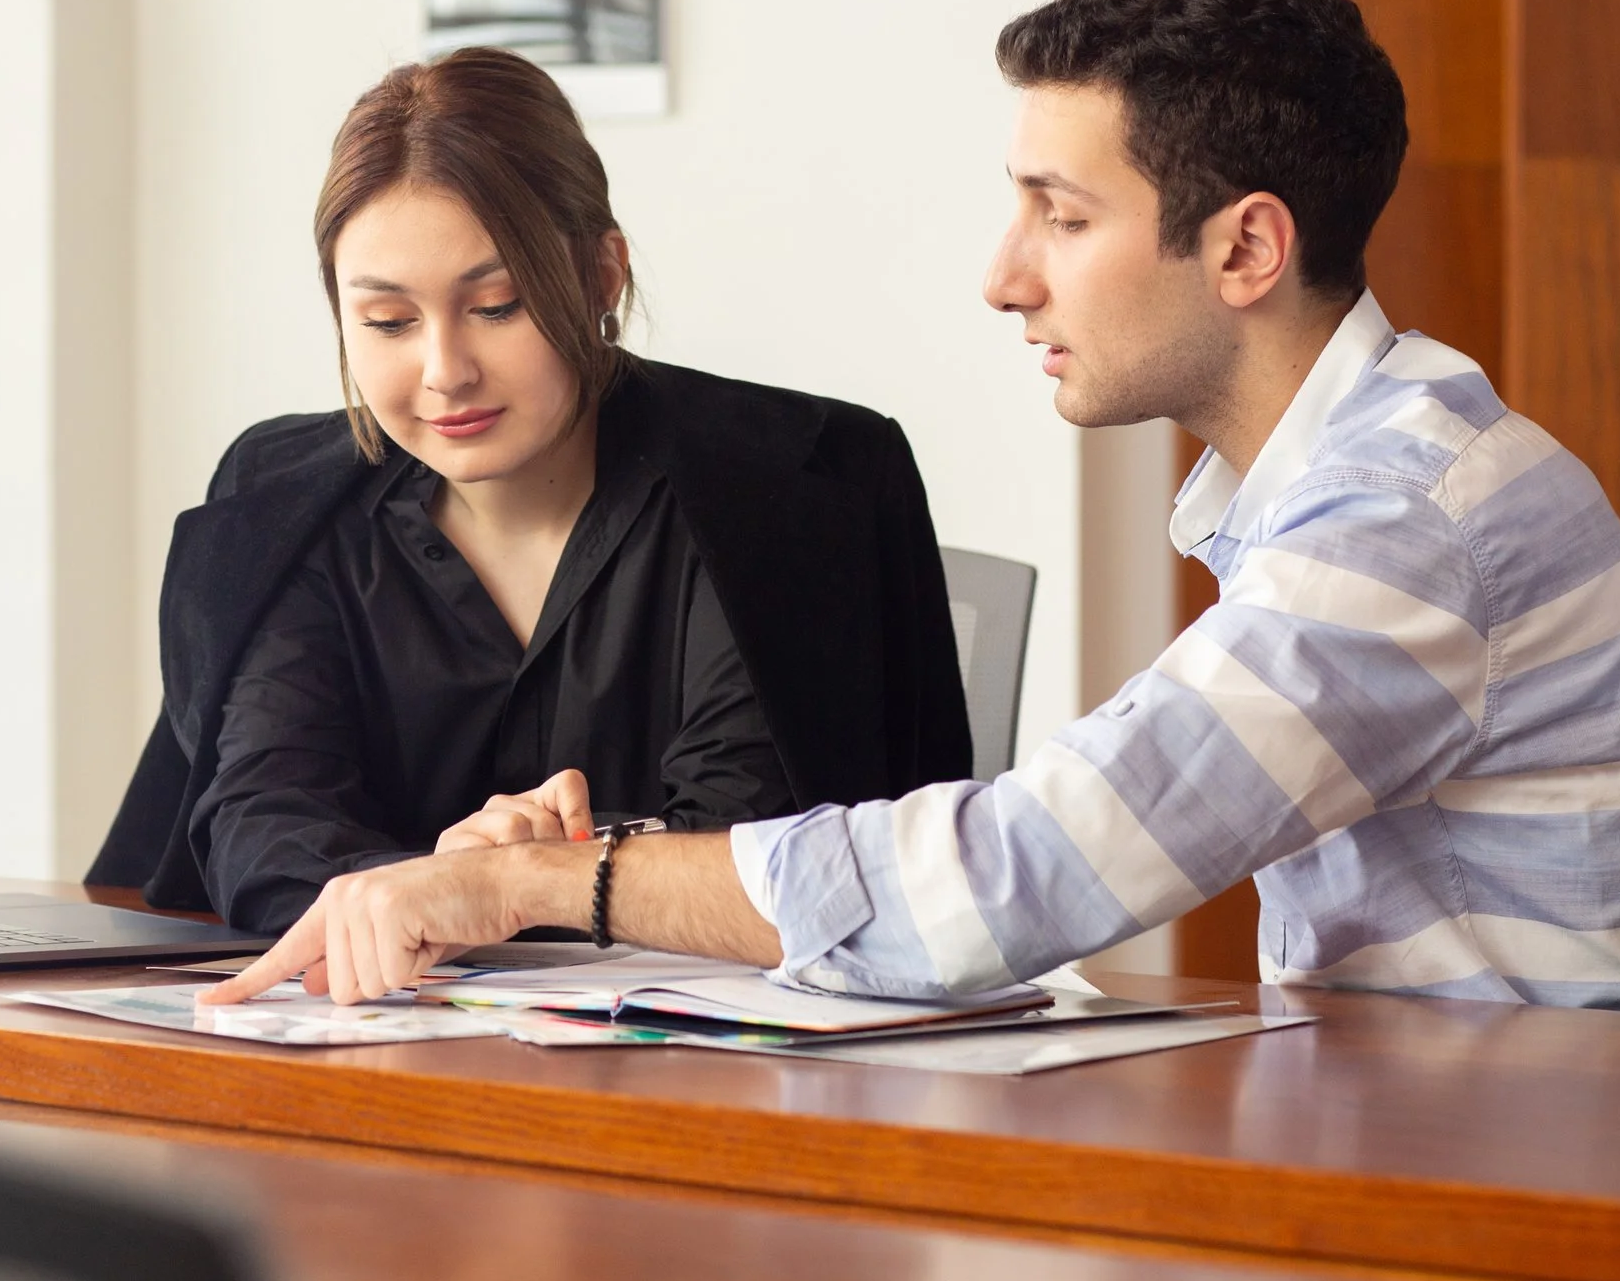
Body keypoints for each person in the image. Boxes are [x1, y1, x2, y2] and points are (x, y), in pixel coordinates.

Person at [207, 0, 1620, 1016]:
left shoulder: (1411, 527)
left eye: (1060, 217)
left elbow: (1013, 877)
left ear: (1246, 250)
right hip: (1415, 1136)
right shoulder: (1353, 488)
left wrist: (545, 880)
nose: (1004, 279)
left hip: (1535, 1192)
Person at [88, 46, 973, 930]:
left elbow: (761, 853)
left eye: (497, 306)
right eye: (388, 321)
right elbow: (260, 827)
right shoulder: (283, 502)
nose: (444, 372)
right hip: (371, 1038)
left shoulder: (790, 483)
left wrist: (500, 887)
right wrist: (442, 883)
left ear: (601, 275)